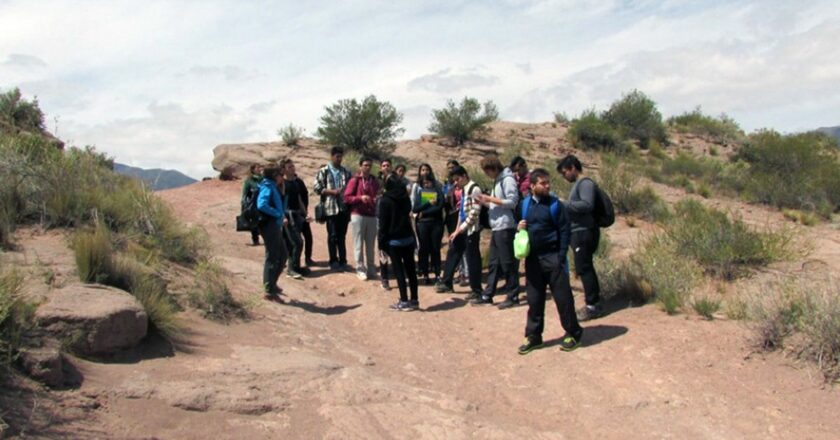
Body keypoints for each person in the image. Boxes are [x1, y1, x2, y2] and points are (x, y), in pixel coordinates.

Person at [517, 168, 583, 354]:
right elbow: (520, 225)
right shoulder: (524, 205)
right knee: (534, 300)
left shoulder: (555, 205)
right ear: (532, 186)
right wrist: (519, 226)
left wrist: (560, 257)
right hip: (533, 260)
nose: (547, 186)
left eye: (548, 183)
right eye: (543, 183)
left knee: (563, 299)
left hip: (553, 258)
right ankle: (534, 336)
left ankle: (573, 332)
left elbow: (565, 231)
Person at [557, 154, 602, 321]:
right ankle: (594, 302)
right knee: (585, 266)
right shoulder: (580, 184)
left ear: (572, 168)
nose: (564, 176)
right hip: (580, 231)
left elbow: (587, 204)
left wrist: (564, 203)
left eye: (564, 172)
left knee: (584, 268)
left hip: (584, 232)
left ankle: (593, 306)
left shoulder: (585, 183)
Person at [474, 154, 520, 306]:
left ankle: (513, 295)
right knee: (494, 262)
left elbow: (512, 202)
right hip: (497, 227)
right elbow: (497, 204)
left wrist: (490, 199)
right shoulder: (497, 181)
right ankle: (488, 294)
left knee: (508, 263)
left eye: (487, 171)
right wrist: (484, 201)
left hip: (506, 227)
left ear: (494, 168)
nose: (487, 174)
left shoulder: (507, 180)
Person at [435, 166, 483, 300]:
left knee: (472, 259)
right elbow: (461, 212)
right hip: (462, 228)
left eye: (457, 179)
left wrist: (461, 228)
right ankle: (447, 282)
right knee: (454, 250)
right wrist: (456, 231)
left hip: (471, 230)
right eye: (454, 180)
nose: (455, 183)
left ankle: (477, 290)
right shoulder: (464, 190)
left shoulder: (474, 189)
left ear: (464, 176)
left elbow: (475, 212)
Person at [378, 174, 419, 311]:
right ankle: (414, 300)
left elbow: (383, 226)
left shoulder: (385, 201)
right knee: (411, 270)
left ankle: (404, 301)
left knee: (399, 272)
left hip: (394, 241)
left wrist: (381, 245)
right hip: (408, 238)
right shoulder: (405, 198)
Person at [313, 147, 352, 271]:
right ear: (332, 156)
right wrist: (331, 192)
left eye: (341, 156)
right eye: (337, 156)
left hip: (343, 208)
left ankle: (343, 261)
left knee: (342, 236)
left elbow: (351, 186)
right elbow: (316, 187)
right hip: (330, 208)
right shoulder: (324, 171)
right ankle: (333, 260)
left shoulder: (346, 171)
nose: (339, 159)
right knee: (332, 236)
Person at [343, 157, 380, 280]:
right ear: (360, 166)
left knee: (371, 244)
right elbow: (347, 197)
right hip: (358, 214)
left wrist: (376, 199)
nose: (367, 167)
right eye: (365, 165)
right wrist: (360, 198)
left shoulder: (374, 180)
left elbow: (377, 194)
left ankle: (371, 269)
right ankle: (360, 269)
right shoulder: (355, 180)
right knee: (358, 243)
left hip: (371, 214)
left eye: (369, 165)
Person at [256, 166, 289, 301]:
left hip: (274, 225)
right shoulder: (267, 187)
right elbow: (261, 204)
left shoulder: (273, 187)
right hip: (269, 225)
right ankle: (269, 290)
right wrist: (277, 214)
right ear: (275, 175)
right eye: (280, 175)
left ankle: (272, 284)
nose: (282, 177)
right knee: (272, 256)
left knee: (283, 254)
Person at [281, 158, 310, 279]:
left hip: (297, 215)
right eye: (290, 167)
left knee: (297, 241)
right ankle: (291, 269)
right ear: (284, 170)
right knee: (297, 242)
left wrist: (305, 213)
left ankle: (296, 267)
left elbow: (299, 199)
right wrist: (282, 217)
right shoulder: (281, 183)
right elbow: (279, 202)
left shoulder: (296, 182)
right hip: (288, 215)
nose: (293, 169)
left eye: (293, 166)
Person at [412, 174, 444, 285]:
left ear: (432, 182)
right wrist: (428, 203)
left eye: (428, 182)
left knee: (435, 248)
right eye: (424, 183)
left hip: (436, 223)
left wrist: (424, 212)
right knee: (424, 248)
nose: (426, 184)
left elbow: (439, 207)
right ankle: (424, 273)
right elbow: (415, 208)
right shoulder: (420, 193)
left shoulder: (438, 192)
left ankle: (437, 274)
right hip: (423, 224)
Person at [377, 159, 393, 290]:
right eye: (384, 165)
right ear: (380, 167)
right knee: (382, 249)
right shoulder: (377, 182)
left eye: (388, 165)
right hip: (379, 218)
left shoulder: (394, 181)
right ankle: (384, 277)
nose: (386, 167)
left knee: (394, 249)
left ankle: (396, 274)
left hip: (393, 220)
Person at [241, 164, 263, 246]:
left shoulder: (263, 179)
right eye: (257, 168)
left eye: (259, 167)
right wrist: (243, 204)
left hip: (263, 203)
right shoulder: (249, 181)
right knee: (254, 221)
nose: (259, 169)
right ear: (253, 170)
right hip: (253, 204)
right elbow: (245, 193)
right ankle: (255, 239)